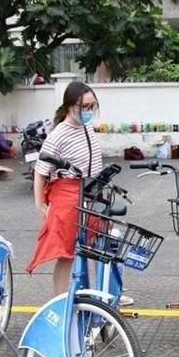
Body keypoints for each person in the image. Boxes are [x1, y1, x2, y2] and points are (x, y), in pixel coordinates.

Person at [24, 82, 133, 301]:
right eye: (85, 107)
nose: (89, 111)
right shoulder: (59, 134)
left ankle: (109, 292)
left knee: (104, 240)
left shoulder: (85, 128)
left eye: (93, 106)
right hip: (67, 194)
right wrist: (39, 205)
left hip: (90, 190)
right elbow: (41, 170)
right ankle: (62, 301)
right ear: (70, 106)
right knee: (66, 253)